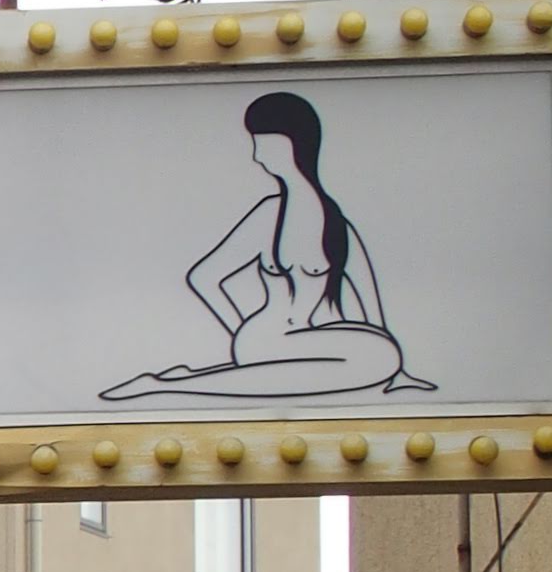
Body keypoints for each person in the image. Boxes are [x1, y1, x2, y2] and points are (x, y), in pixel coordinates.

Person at [109, 90, 429, 402]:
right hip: (265, 338)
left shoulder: (336, 222)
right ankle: (162, 387)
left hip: (307, 340)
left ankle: (185, 379)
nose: (257, 156)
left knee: (382, 353)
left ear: (295, 145)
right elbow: (204, 277)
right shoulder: (270, 214)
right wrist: (241, 334)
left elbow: (367, 293)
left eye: (265, 145)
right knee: (376, 360)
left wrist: (393, 356)